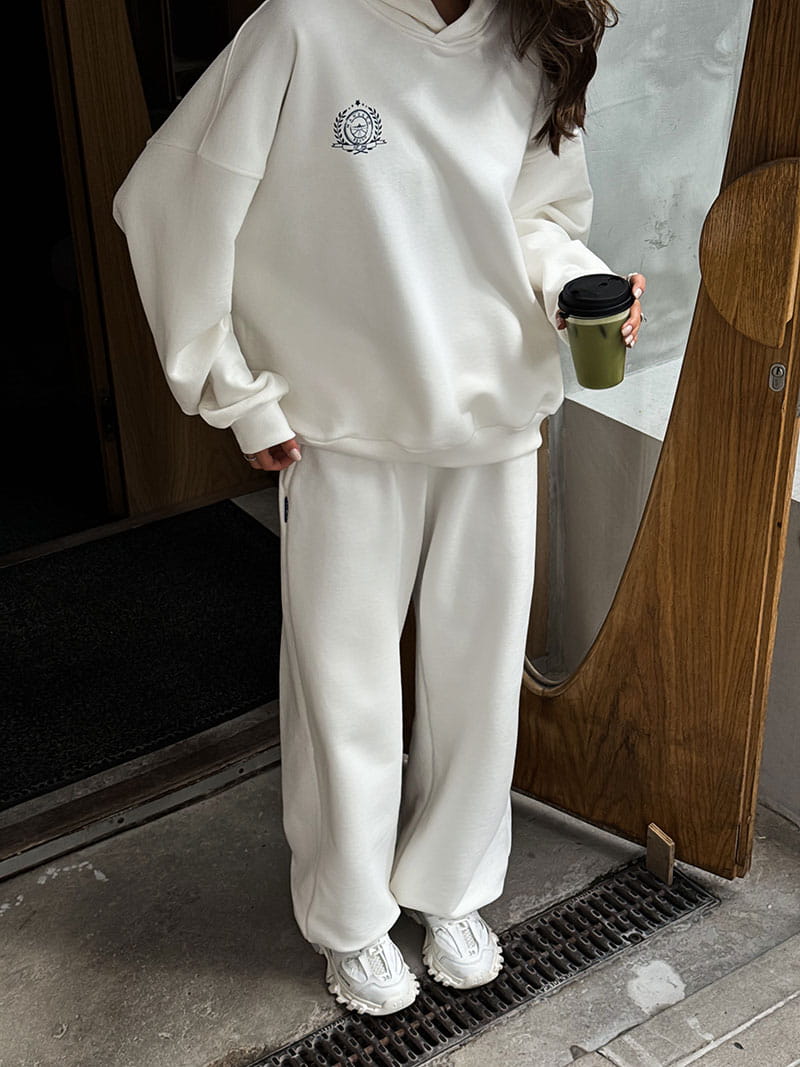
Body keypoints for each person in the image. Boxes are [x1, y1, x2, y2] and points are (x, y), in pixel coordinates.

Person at [113, 0, 646, 1017]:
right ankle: (350, 913)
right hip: (342, 429)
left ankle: (453, 885)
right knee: (342, 685)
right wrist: (236, 390)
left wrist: (581, 286)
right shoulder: (302, 26)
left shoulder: (531, 32)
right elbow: (169, 199)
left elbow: (537, 218)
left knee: (477, 679)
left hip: (493, 417)